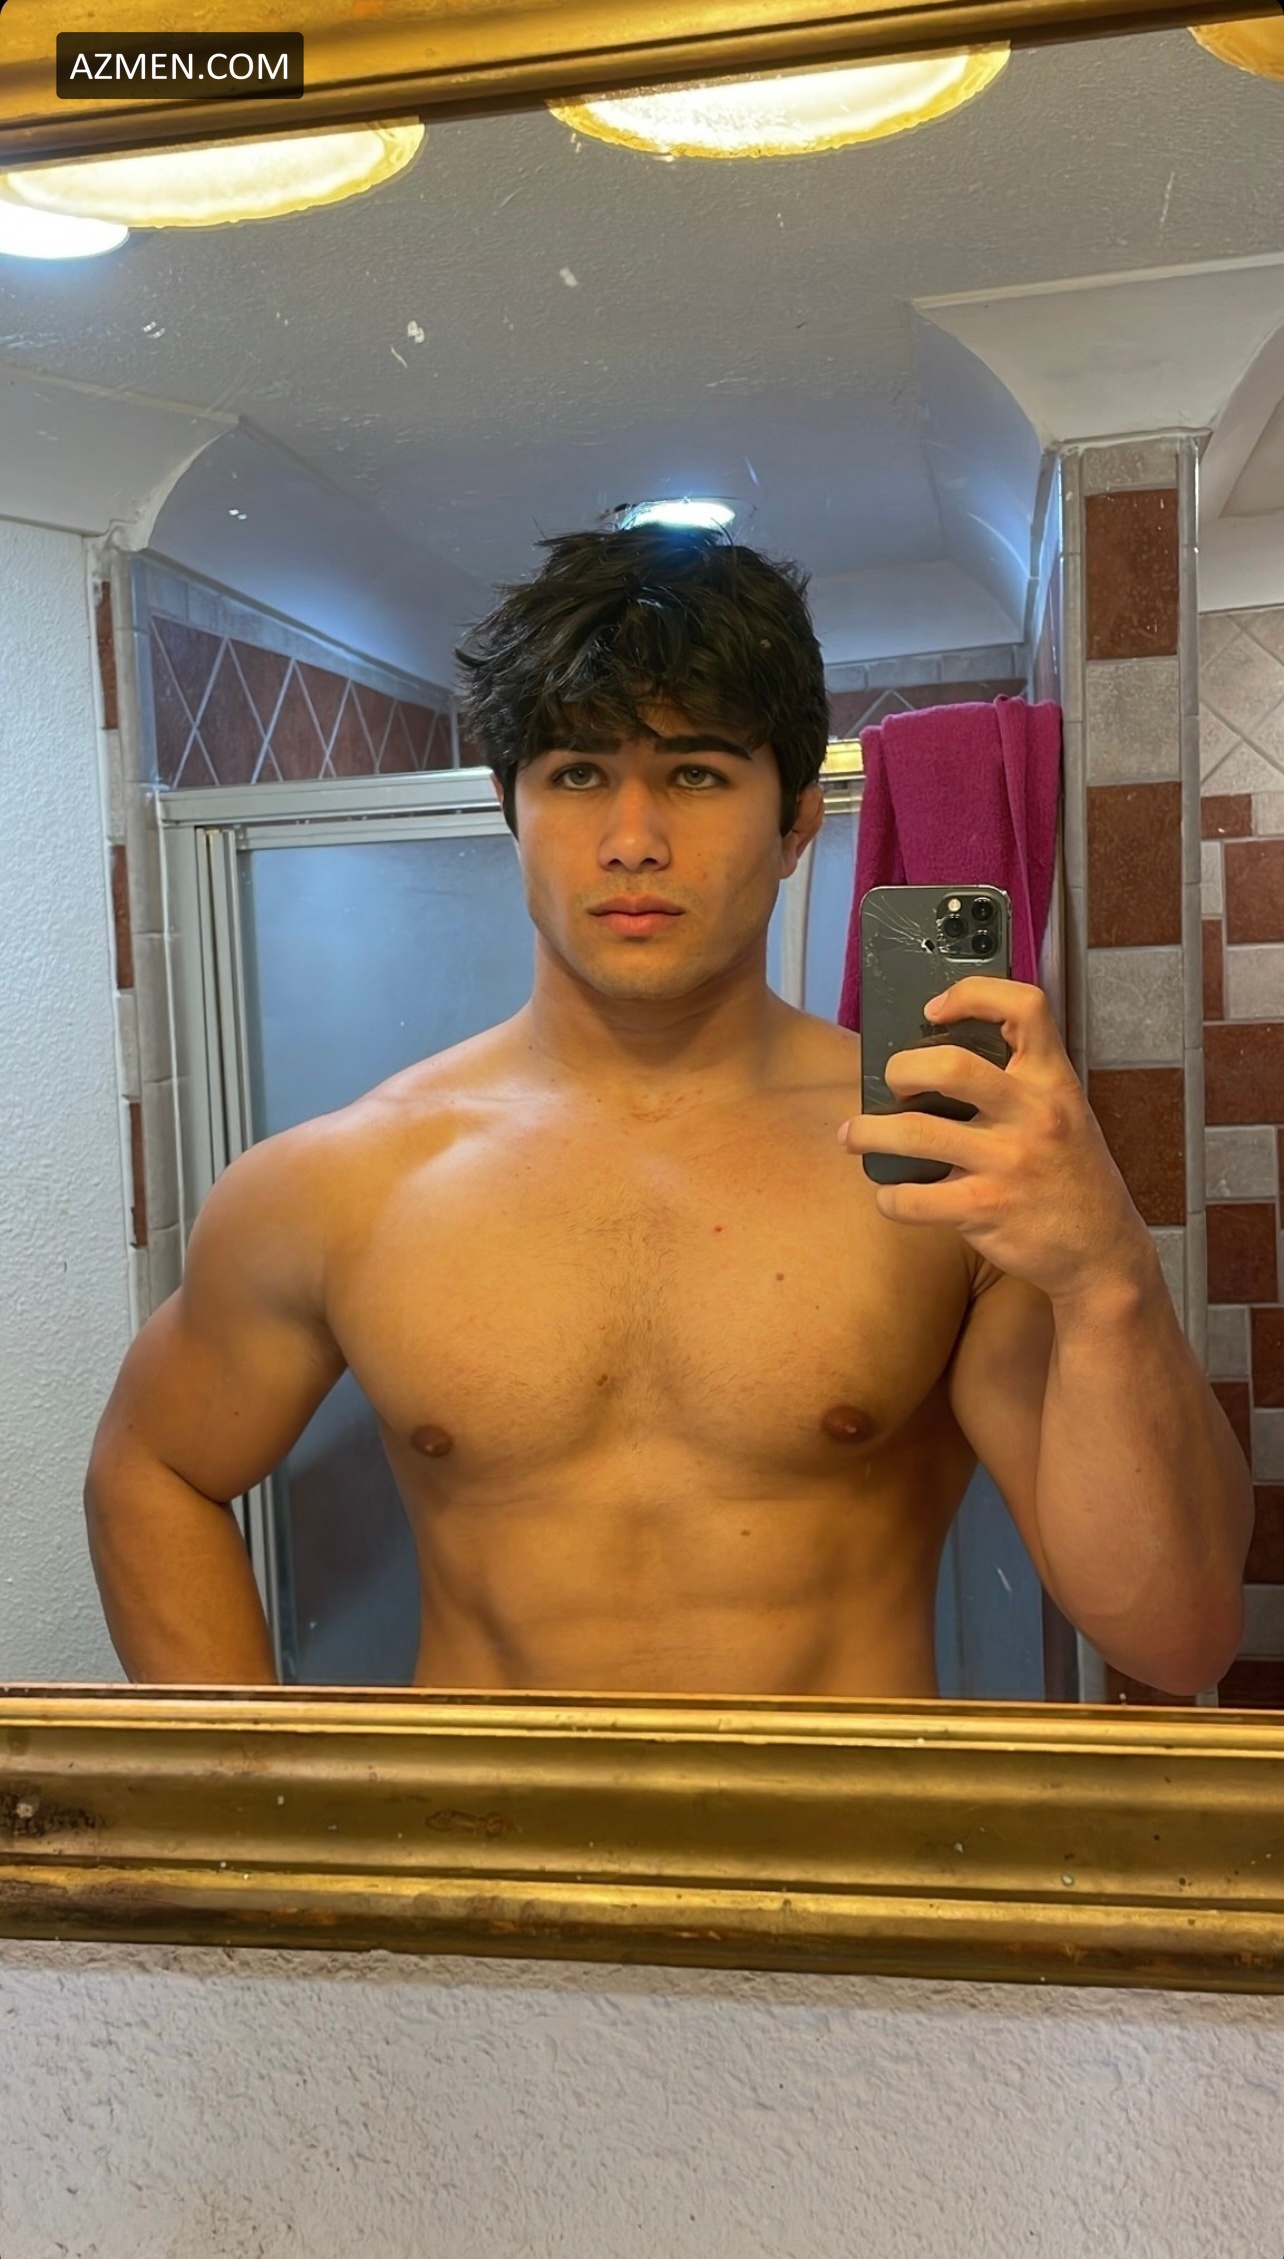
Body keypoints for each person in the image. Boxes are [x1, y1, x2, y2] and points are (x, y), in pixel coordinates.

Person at [84, 527, 1251, 1697]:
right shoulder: (339, 1185)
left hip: (835, 1818)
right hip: (484, 1818)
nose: (632, 842)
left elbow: (1175, 1636)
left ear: (796, 824)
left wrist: (1108, 1275)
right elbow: (151, 1470)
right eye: (576, 775)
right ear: (509, 809)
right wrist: (261, 1774)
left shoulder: (941, 1163)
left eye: (696, 774)